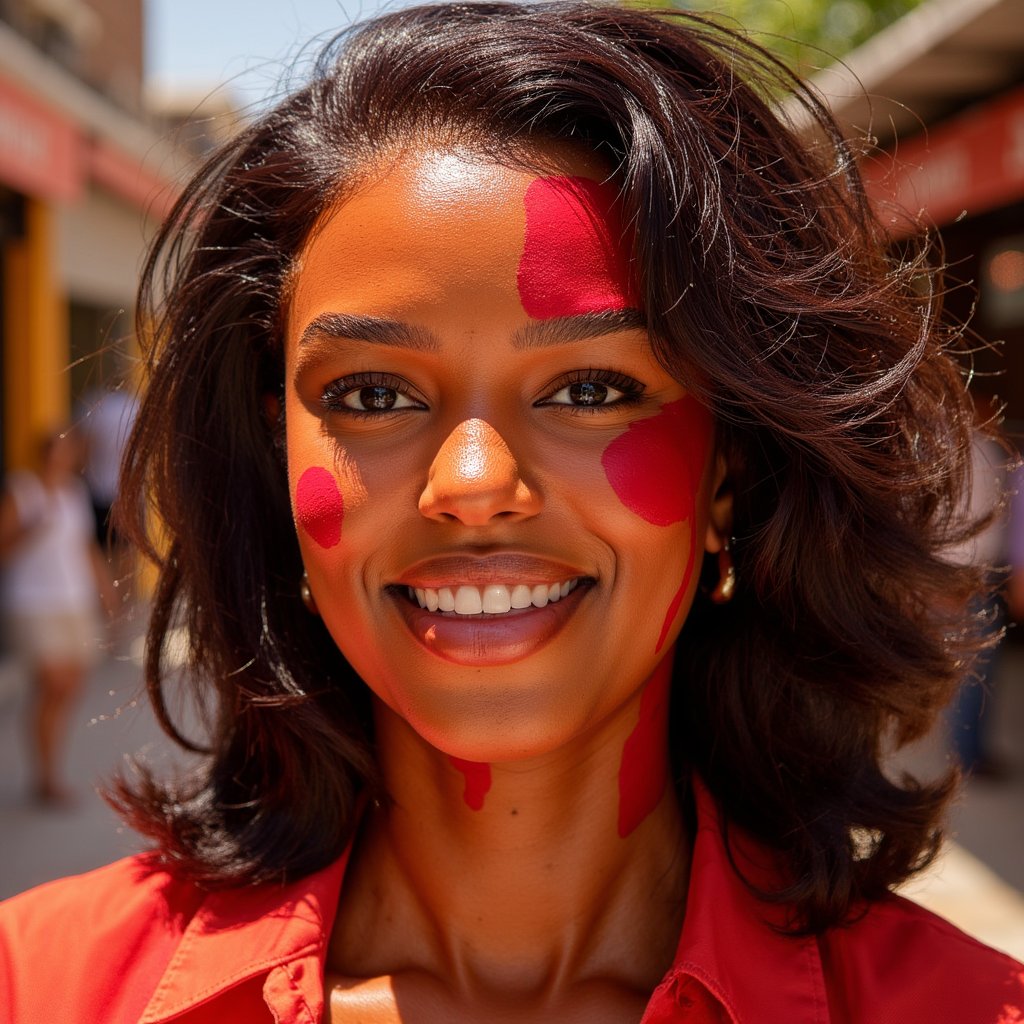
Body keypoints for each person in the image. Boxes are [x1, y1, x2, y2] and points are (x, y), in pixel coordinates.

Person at [1, 3, 1022, 1020]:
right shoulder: (41, 985)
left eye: (587, 390)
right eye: (371, 394)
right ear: (274, 457)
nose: (474, 481)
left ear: (729, 470)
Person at [0, 429, 113, 805]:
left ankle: (48, 763)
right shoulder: (23, 491)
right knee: (54, 680)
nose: (65, 457)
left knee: (67, 687)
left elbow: (86, 548)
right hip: (32, 602)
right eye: (61, 450)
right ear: (46, 453)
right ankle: (45, 776)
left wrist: (106, 590)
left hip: (74, 602)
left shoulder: (74, 493)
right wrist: (26, 533)